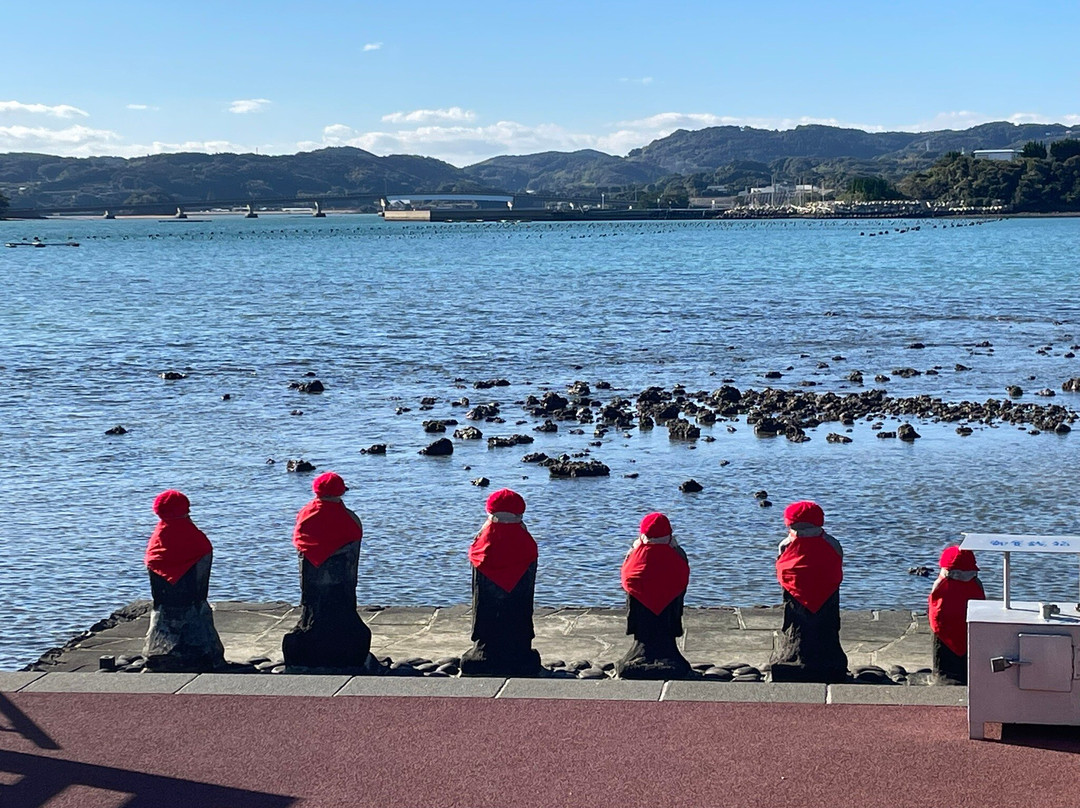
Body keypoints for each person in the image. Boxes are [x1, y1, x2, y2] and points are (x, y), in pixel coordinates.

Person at [281, 472, 372, 670]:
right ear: (341, 491)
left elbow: (300, 543)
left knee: (311, 613)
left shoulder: (305, 515)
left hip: (312, 592)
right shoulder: (350, 520)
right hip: (343, 591)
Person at [460, 488, 542, 676]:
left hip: (485, 648)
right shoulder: (527, 547)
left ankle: (483, 653)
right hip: (520, 652)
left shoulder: (480, 550)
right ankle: (519, 652)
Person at [142, 489, 225, 671]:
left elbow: (153, 560)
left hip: (163, 601)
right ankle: (204, 654)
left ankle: (158, 652)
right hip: (193, 601)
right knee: (195, 607)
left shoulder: (157, 540)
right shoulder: (194, 538)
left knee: (163, 610)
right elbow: (204, 552)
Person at [768, 500, 848, 683]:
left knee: (795, 623)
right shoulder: (832, 543)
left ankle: (792, 658)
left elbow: (782, 564)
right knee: (826, 624)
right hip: (827, 588)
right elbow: (838, 561)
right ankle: (829, 661)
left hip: (794, 588)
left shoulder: (785, 544)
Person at [616, 512, 693, 679]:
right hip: (668, 615)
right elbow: (682, 581)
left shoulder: (634, 556)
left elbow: (627, 580)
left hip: (641, 615)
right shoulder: (678, 555)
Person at [928, 545, 985, 685]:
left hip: (945, 626)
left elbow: (935, 609)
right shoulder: (975, 584)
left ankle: (942, 674)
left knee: (944, 650)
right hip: (968, 626)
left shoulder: (942, 583)